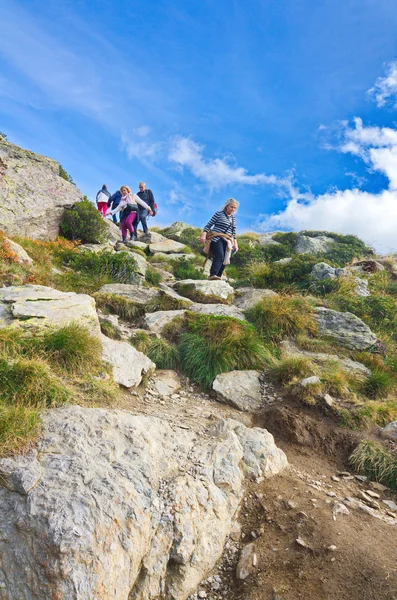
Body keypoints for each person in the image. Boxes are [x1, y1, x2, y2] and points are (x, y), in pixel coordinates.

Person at [199, 198, 239, 280]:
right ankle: (213, 274)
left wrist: (235, 244)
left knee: (226, 258)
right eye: (231, 207)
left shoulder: (233, 219)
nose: (233, 209)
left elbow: (233, 233)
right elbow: (208, 225)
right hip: (216, 238)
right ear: (227, 206)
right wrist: (203, 235)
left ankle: (218, 276)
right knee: (220, 255)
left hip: (228, 240)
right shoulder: (219, 214)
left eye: (235, 208)